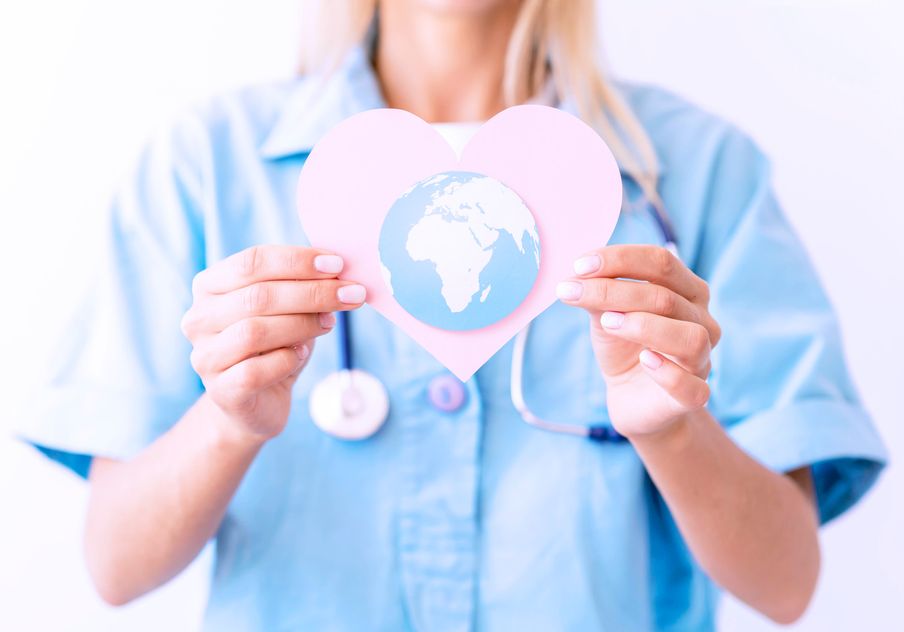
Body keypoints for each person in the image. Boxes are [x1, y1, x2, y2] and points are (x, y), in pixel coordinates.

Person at [14, 0, 888, 630]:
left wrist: (671, 431)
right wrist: (228, 422)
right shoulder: (206, 166)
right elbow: (117, 567)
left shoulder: (698, 174)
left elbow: (787, 583)